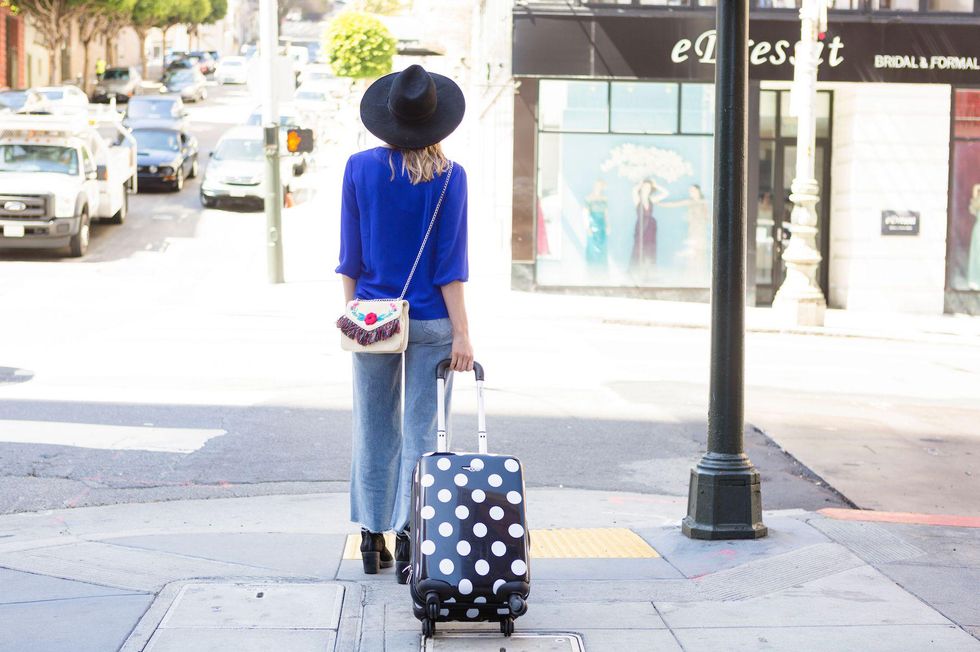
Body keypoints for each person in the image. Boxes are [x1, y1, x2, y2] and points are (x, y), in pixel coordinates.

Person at [336, 64, 472, 583]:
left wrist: (355, 314)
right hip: (433, 321)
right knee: (423, 432)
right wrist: (463, 332)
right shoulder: (450, 178)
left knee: (372, 426)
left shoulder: (359, 168)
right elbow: (450, 267)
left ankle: (371, 538)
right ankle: (411, 535)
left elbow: (350, 258)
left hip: (372, 318)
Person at [662, 184, 709, 280]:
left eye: (692, 190)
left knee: (700, 251)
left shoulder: (704, 203)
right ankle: (692, 274)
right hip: (693, 229)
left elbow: (708, 217)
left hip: (701, 230)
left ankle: (700, 273)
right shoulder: (690, 202)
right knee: (693, 251)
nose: (690, 192)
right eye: (690, 191)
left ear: (698, 191)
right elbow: (674, 204)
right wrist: (660, 204)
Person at [630, 178, 668, 274]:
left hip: (651, 226)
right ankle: (637, 269)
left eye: (649, 187)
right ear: (642, 188)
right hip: (641, 225)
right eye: (645, 187)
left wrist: (655, 185)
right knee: (639, 246)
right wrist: (641, 182)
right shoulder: (637, 199)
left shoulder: (652, 199)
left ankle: (648, 270)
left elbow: (666, 193)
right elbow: (634, 190)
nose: (647, 189)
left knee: (650, 247)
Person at [583, 179, 609, 267]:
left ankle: (601, 268)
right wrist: (587, 227)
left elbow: (606, 213)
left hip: (602, 225)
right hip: (593, 224)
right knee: (592, 246)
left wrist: (608, 225)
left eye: (600, 186)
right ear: (594, 186)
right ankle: (592, 268)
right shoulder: (589, 198)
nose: (598, 188)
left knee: (602, 247)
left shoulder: (605, 198)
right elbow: (585, 213)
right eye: (597, 186)